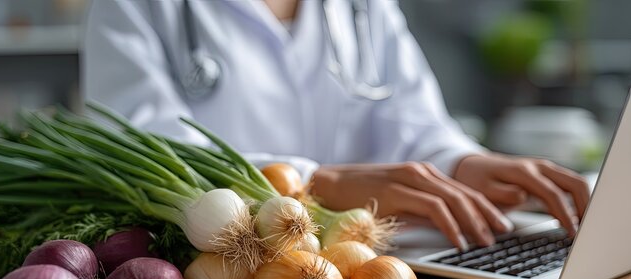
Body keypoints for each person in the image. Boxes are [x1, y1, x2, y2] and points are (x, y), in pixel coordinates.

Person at [84, 0, 590, 251]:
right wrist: (318, 184)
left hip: (364, 271)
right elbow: (140, 147)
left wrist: (460, 162)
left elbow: (414, 119)